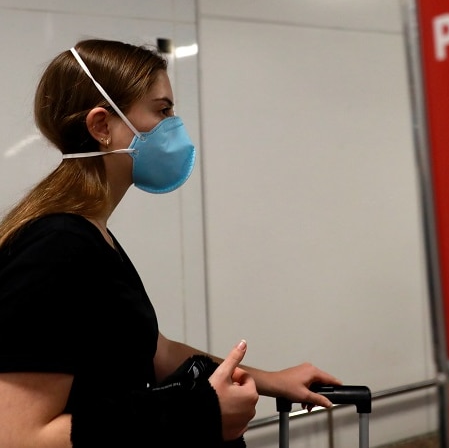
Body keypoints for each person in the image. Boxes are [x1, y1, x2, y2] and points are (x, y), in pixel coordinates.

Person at [0, 39, 340, 447]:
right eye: (163, 111)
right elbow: (19, 436)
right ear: (102, 126)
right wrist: (200, 413)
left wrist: (272, 381)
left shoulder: (91, 234)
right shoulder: (56, 247)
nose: (174, 126)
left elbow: (155, 352)